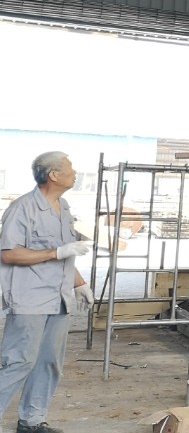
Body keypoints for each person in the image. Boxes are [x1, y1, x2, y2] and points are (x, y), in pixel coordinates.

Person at [0, 152, 94, 433]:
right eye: (70, 168)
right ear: (54, 175)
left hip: (59, 298)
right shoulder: (22, 208)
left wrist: (79, 283)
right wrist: (57, 252)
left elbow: (65, 252)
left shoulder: (63, 207)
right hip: (30, 298)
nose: (75, 173)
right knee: (19, 361)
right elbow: (9, 254)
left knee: (48, 362)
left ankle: (31, 421)